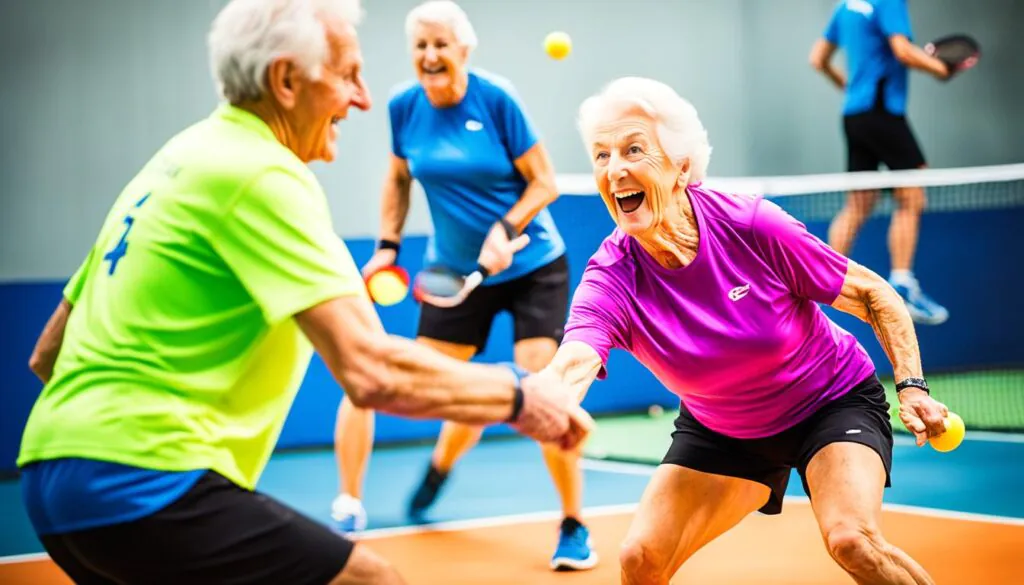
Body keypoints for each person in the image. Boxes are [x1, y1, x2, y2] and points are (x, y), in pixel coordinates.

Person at [16, 1, 591, 584]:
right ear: (286, 81)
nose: (362, 98)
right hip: (144, 478)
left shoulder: (174, 159)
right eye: (346, 75)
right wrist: (522, 398)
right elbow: (371, 372)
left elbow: (48, 354)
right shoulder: (267, 177)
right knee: (370, 579)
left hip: (50, 477)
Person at [538, 76, 951, 585]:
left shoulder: (751, 225)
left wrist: (911, 386)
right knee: (639, 560)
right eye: (601, 156)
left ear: (681, 166)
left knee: (852, 540)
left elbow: (872, 294)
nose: (615, 169)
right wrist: (542, 398)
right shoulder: (612, 276)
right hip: (724, 429)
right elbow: (575, 357)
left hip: (829, 402)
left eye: (634, 150)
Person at [329, 0, 597, 571]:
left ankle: (573, 523)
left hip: (531, 267)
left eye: (440, 45)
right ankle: (358, 498)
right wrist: (386, 249)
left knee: (543, 384)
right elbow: (398, 178)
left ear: (464, 51)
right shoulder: (403, 107)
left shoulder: (496, 98)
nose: (430, 56)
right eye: (420, 46)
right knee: (402, 379)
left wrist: (504, 229)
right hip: (458, 275)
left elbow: (544, 182)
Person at [809, 0, 952, 326]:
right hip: (883, 113)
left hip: (854, 115)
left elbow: (817, 59)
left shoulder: (845, 6)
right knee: (912, 194)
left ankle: (823, 285)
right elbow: (902, 50)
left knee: (858, 204)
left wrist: (847, 86)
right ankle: (902, 282)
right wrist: (940, 69)